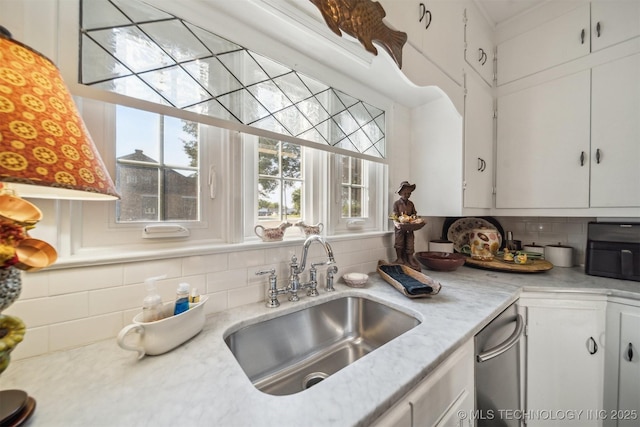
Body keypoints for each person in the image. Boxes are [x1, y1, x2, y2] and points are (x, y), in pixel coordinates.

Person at [392, 181, 421, 270]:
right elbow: (394, 215)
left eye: (409, 193)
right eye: (405, 193)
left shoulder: (411, 204)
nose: (407, 195)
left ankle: (410, 259)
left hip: (410, 227)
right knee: (399, 242)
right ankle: (399, 258)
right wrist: (396, 223)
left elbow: (414, 214)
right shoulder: (397, 203)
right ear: (400, 193)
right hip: (400, 227)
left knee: (410, 242)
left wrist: (415, 219)